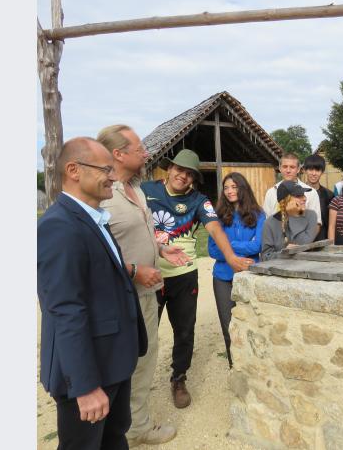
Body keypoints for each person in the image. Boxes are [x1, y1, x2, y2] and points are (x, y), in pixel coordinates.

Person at [38, 137, 148, 450]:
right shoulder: (59, 226)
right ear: (73, 170)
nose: (113, 177)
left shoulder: (93, 218)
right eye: (105, 169)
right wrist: (85, 386)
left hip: (112, 361)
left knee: (114, 439)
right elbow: (65, 309)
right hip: (89, 373)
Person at [142, 149, 254, 409]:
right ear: (169, 169)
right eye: (179, 169)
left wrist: (232, 258)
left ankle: (179, 378)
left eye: (189, 173)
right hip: (149, 275)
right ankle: (138, 385)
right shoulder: (145, 191)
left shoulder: (198, 200)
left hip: (184, 275)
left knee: (184, 331)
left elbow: (215, 229)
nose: (183, 176)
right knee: (145, 334)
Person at [97, 125, 187, 446]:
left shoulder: (134, 188)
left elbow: (133, 235)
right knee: (125, 363)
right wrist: (134, 271)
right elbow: (95, 251)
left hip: (145, 294)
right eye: (139, 148)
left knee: (144, 360)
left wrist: (162, 249)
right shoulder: (103, 195)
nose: (146, 153)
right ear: (118, 154)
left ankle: (131, 425)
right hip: (121, 298)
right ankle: (133, 428)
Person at [208, 172, 266, 369]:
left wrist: (228, 244)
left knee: (252, 323)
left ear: (243, 188)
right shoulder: (217, 217)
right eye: (226, 188)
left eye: (234, 187)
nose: (230, 191)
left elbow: (258, 245)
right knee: (228, 325)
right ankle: (235, 366)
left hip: (249, 276)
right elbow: (212, 249)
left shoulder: (259, 214)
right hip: (223, 277)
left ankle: (254, 366)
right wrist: (240, 246)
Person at [263, 153, 322, 232]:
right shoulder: (271, 192)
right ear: (280, 168)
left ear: (298, 169)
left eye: (292, 167)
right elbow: (267, 221)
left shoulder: (311, 193)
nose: (288, 170)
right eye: (285, 167)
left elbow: (316, 223)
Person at [261, 180, 319, 260]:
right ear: (285, 200)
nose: (305, 198)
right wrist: (284, 253)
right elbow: (265, 256)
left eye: (303, 195)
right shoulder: (270, 224)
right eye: (298, 196)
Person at [302, 154, 334, 241]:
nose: (314, 173)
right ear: (304, 170)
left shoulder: (329, 195)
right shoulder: (297, 193)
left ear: (322, 172)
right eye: (310, 169)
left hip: (323, 242)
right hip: (301, 243)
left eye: (317, 170)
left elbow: (331, 223)